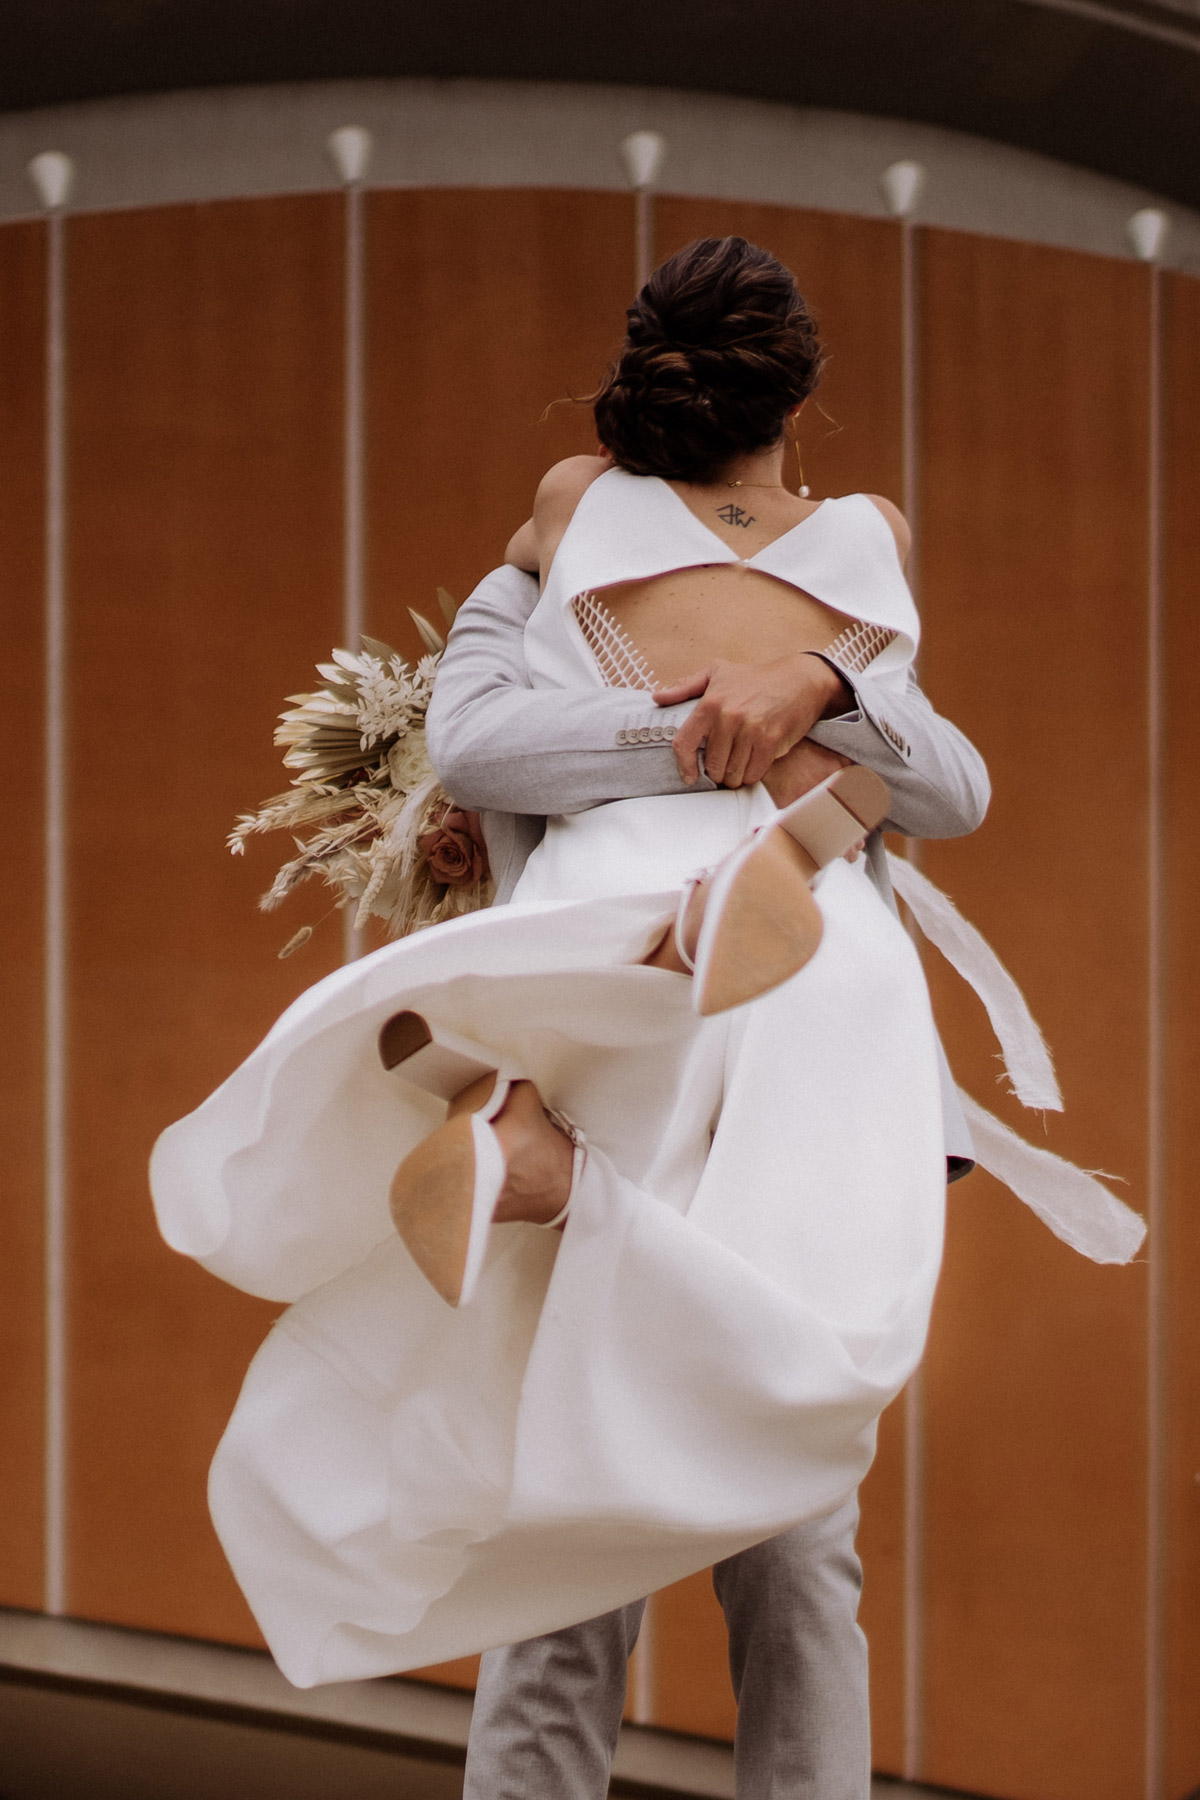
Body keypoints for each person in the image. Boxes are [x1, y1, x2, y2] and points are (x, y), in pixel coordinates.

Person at [150, 238, 972, 1772]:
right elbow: (492, 755)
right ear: (801, 391)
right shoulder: (842, 532)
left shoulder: (571, 510)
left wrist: (815, 692)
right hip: (813, 1026)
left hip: (661, 999)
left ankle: (541, 1158)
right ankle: (571, 1131)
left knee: (602, 1505)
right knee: (793, 1525)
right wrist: (753, 728)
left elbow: (487, 750)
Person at [425, 548, 987, 1800]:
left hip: (813, 1103)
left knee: (795, 1541)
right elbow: (478, 752)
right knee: (569, 1543)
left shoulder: (841, 597)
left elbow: (953, 787)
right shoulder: (526, 590)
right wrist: (726, 728)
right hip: (611, 1088)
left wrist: (822, 679)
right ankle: (538, 1161)